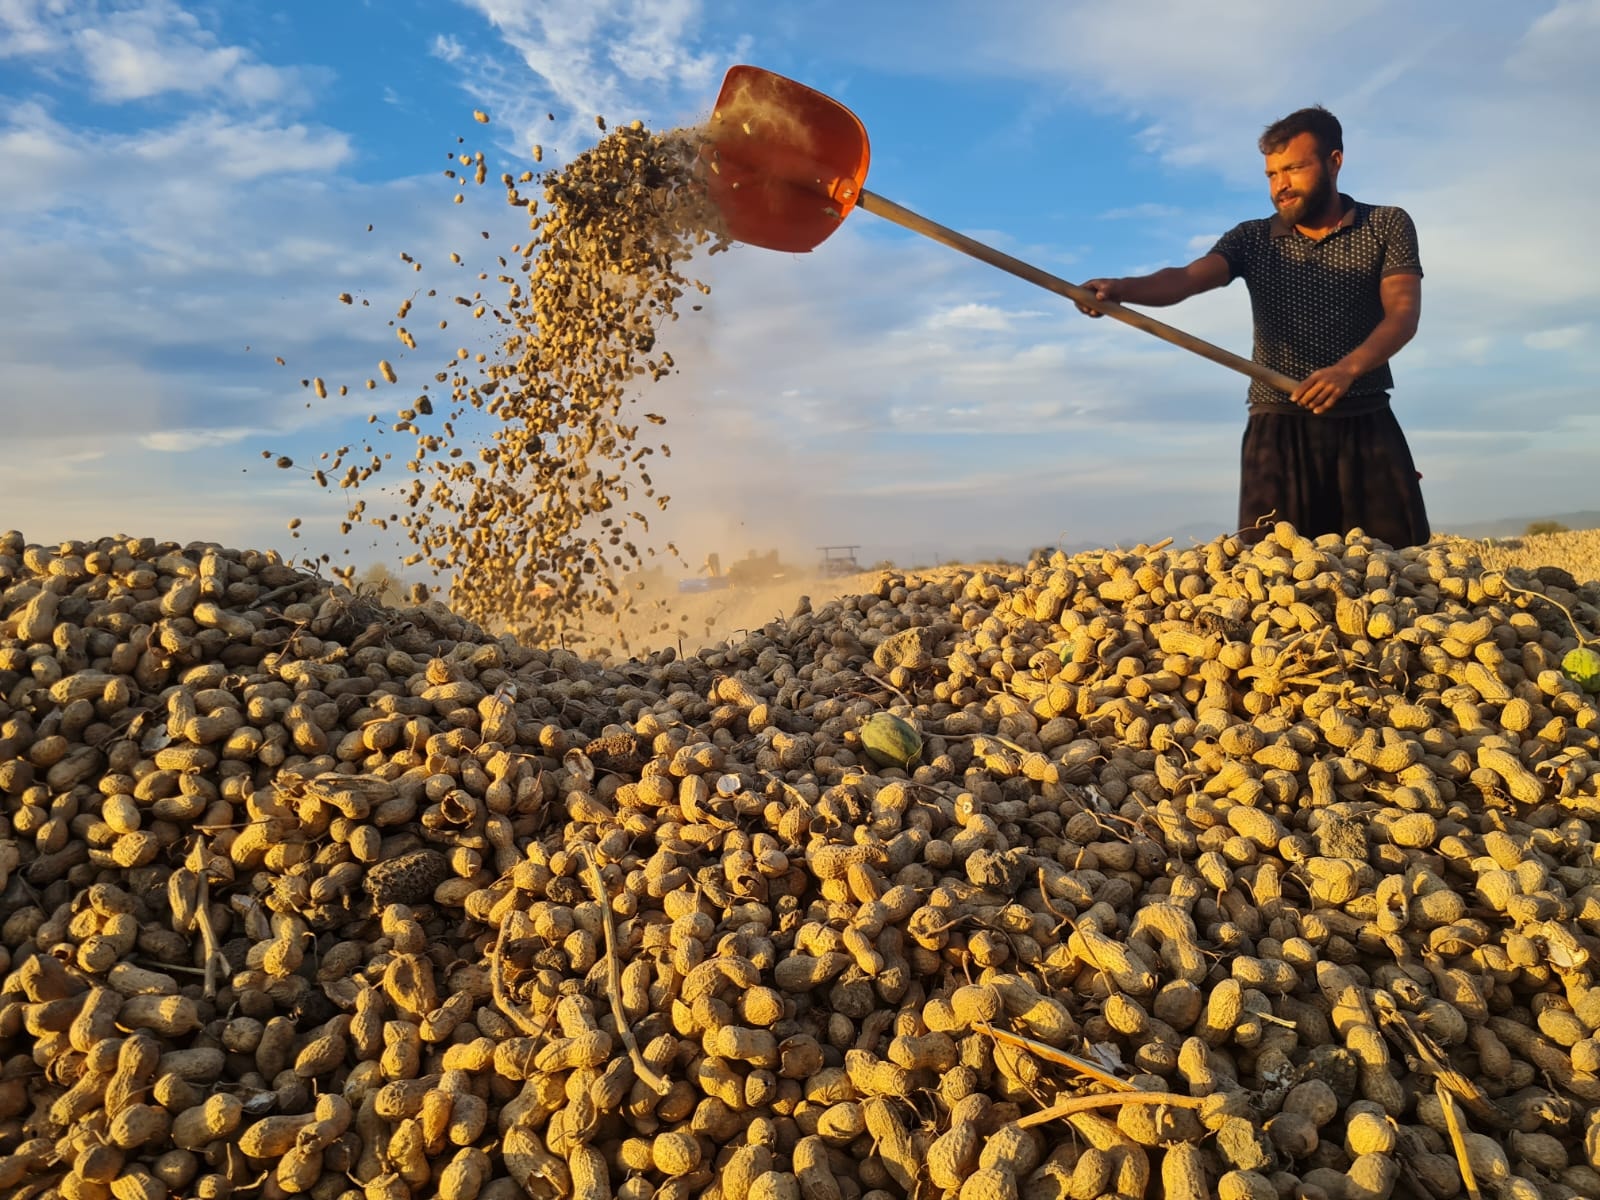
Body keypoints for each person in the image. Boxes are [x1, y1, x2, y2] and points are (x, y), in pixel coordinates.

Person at [1078, 105, 1430, 549]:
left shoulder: (1385, 224)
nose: (1280, 185)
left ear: (1334, 162)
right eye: (1271, 174)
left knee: (1396, 565)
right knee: (1275, 574)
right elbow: (1184, 279)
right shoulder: (1251, 239)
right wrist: (1120, 288)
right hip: (1277, 431)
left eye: (1294, 169)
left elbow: (1403, 315)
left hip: (1365, 420)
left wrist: (1347, 370)